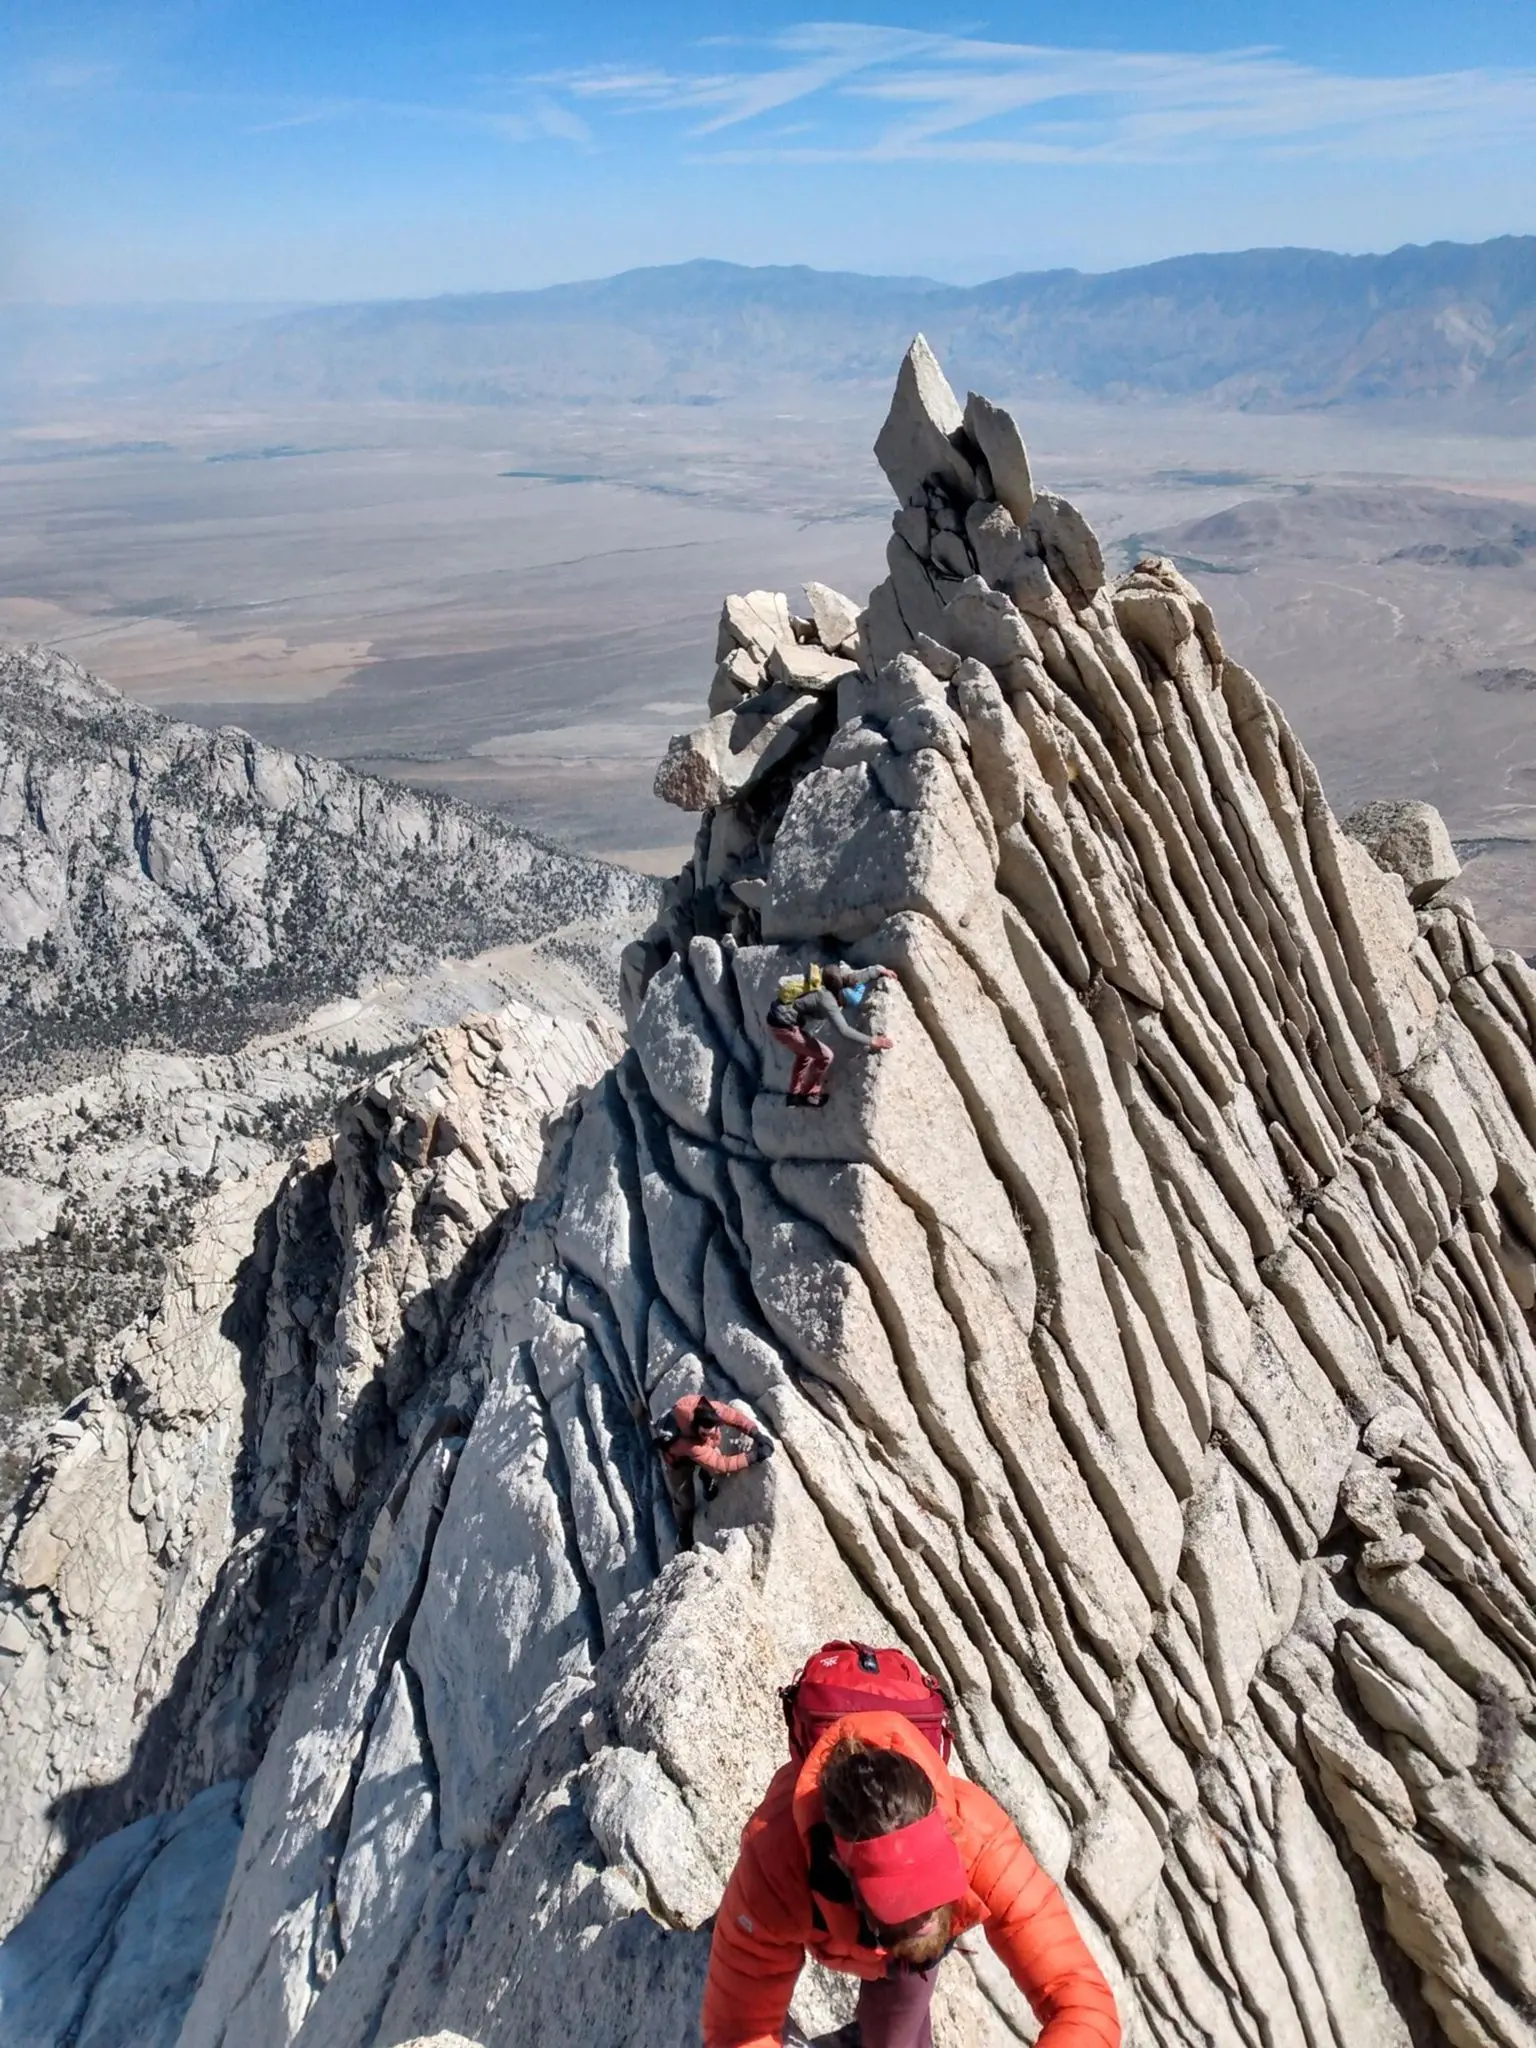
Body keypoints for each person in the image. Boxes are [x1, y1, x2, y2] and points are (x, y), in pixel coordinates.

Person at [702, 1712, 1120, 2048]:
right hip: (820, 1905)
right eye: (901, 1898)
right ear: (839, 1865)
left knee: (900, 2017)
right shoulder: (775, 1867)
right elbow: (739, 2033)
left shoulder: (978, 1838)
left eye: (934, 1885)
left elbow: (1081, 2000)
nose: (923, 1911)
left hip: (891, 1942)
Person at [652, 1392, 774, 1548]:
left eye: (715, 1428)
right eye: (705, 1433)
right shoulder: (688, 1444)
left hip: (700, 1448)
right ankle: (683, 1529)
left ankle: (705, 1476)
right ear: (695, 1428)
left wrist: (756, 1434)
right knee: (684, 1499)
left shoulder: (711, 1410)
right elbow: (719, 1465)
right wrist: (754, 1457)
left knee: (709, 1462)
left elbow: (734, 1417)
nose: (712, 1434)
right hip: (679, 1464)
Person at [766, 962, 897, 1107]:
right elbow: (844, 1030)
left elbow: (857, 977)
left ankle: (793, 1095)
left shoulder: (835, 979)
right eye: (844, 1003)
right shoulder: (827, 1000)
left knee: (805, 1054)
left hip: (779, 1020)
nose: (842, 1006)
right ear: (841, 996)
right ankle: (809, 1094)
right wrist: (872, 1040)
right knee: (826, 1055)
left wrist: (879, 970)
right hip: (784, 1027)